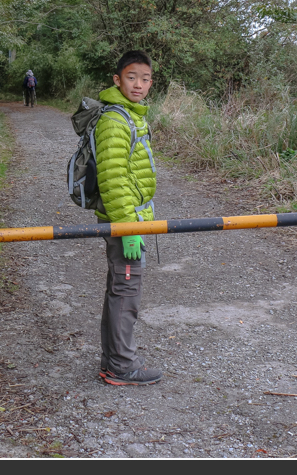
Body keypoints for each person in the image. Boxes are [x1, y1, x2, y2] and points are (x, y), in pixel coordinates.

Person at [93, 50, 162, 386]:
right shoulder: (115, 121)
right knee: (126, 292)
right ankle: (122, 366)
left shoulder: (131, 116)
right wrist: (131, 229)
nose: (139, 84)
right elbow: (114, 180)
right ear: (117, 80)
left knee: (119, 289)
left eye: (145, 78)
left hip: (129, 220)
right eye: (132, 77)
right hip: (125, 223)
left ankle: (113, 361)